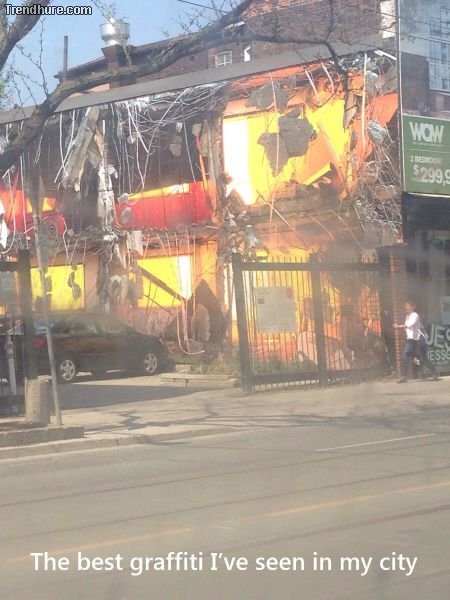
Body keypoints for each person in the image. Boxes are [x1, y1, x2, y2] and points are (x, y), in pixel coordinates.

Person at [394, 300, 438, 383]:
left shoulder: (415, 315)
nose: (406, 307)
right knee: (405, 355)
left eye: (407, 306)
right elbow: (408, 328)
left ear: (413, 307)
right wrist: (405, 331)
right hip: (411, 339)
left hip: (419, 339)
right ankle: (403, 377)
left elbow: (410, 325)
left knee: (423, 358)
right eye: (405, 306)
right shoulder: (407, 316)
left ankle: (434, 373)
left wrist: (399, 326)